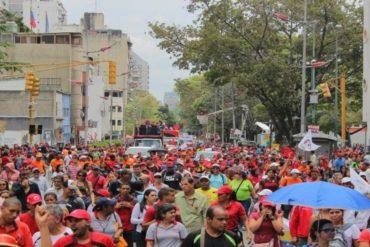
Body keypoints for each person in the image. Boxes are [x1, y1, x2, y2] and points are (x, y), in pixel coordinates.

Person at [36, 208, 115, 247]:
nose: (73, 224)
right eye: (70, 221)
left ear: (88, 222)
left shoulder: (104, 240)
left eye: (77, 220)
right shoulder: (63, 242)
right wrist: (43, 226)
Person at [115, 182, 137, 247]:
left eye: (127, 189)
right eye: (123, 188)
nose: (125, 190)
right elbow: (109, 213)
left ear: (130, 190)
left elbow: (138, 213)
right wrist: (115, 208)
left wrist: (131, 207)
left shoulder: (134, 200)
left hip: (129, 228)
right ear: (120, 189)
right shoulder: (115, 200)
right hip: (117, 228)